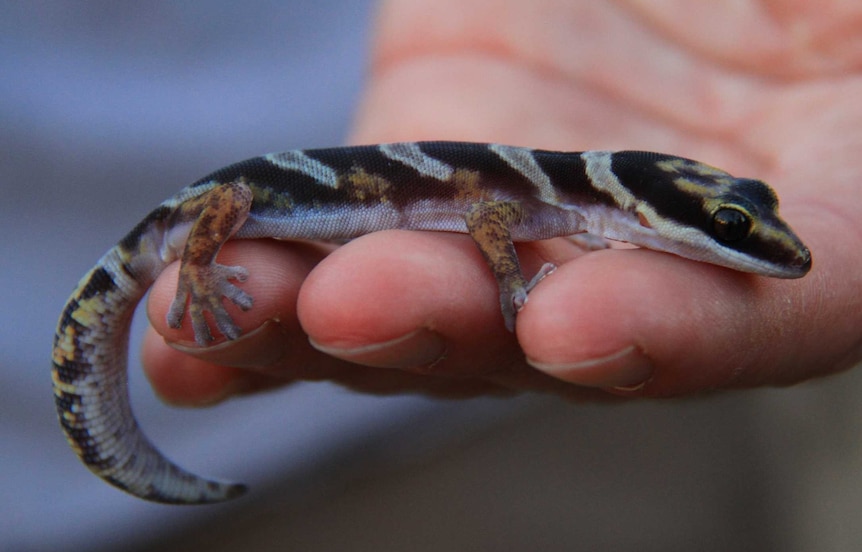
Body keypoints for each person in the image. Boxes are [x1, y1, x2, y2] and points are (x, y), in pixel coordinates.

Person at [142, 1, 857, 402]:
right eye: (733, 226)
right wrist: (513, 286)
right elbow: (487, 217)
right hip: (225, 206)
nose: (770, 239)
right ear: (640, 211)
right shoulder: (540, 202)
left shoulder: (565, 204)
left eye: (745, 213)